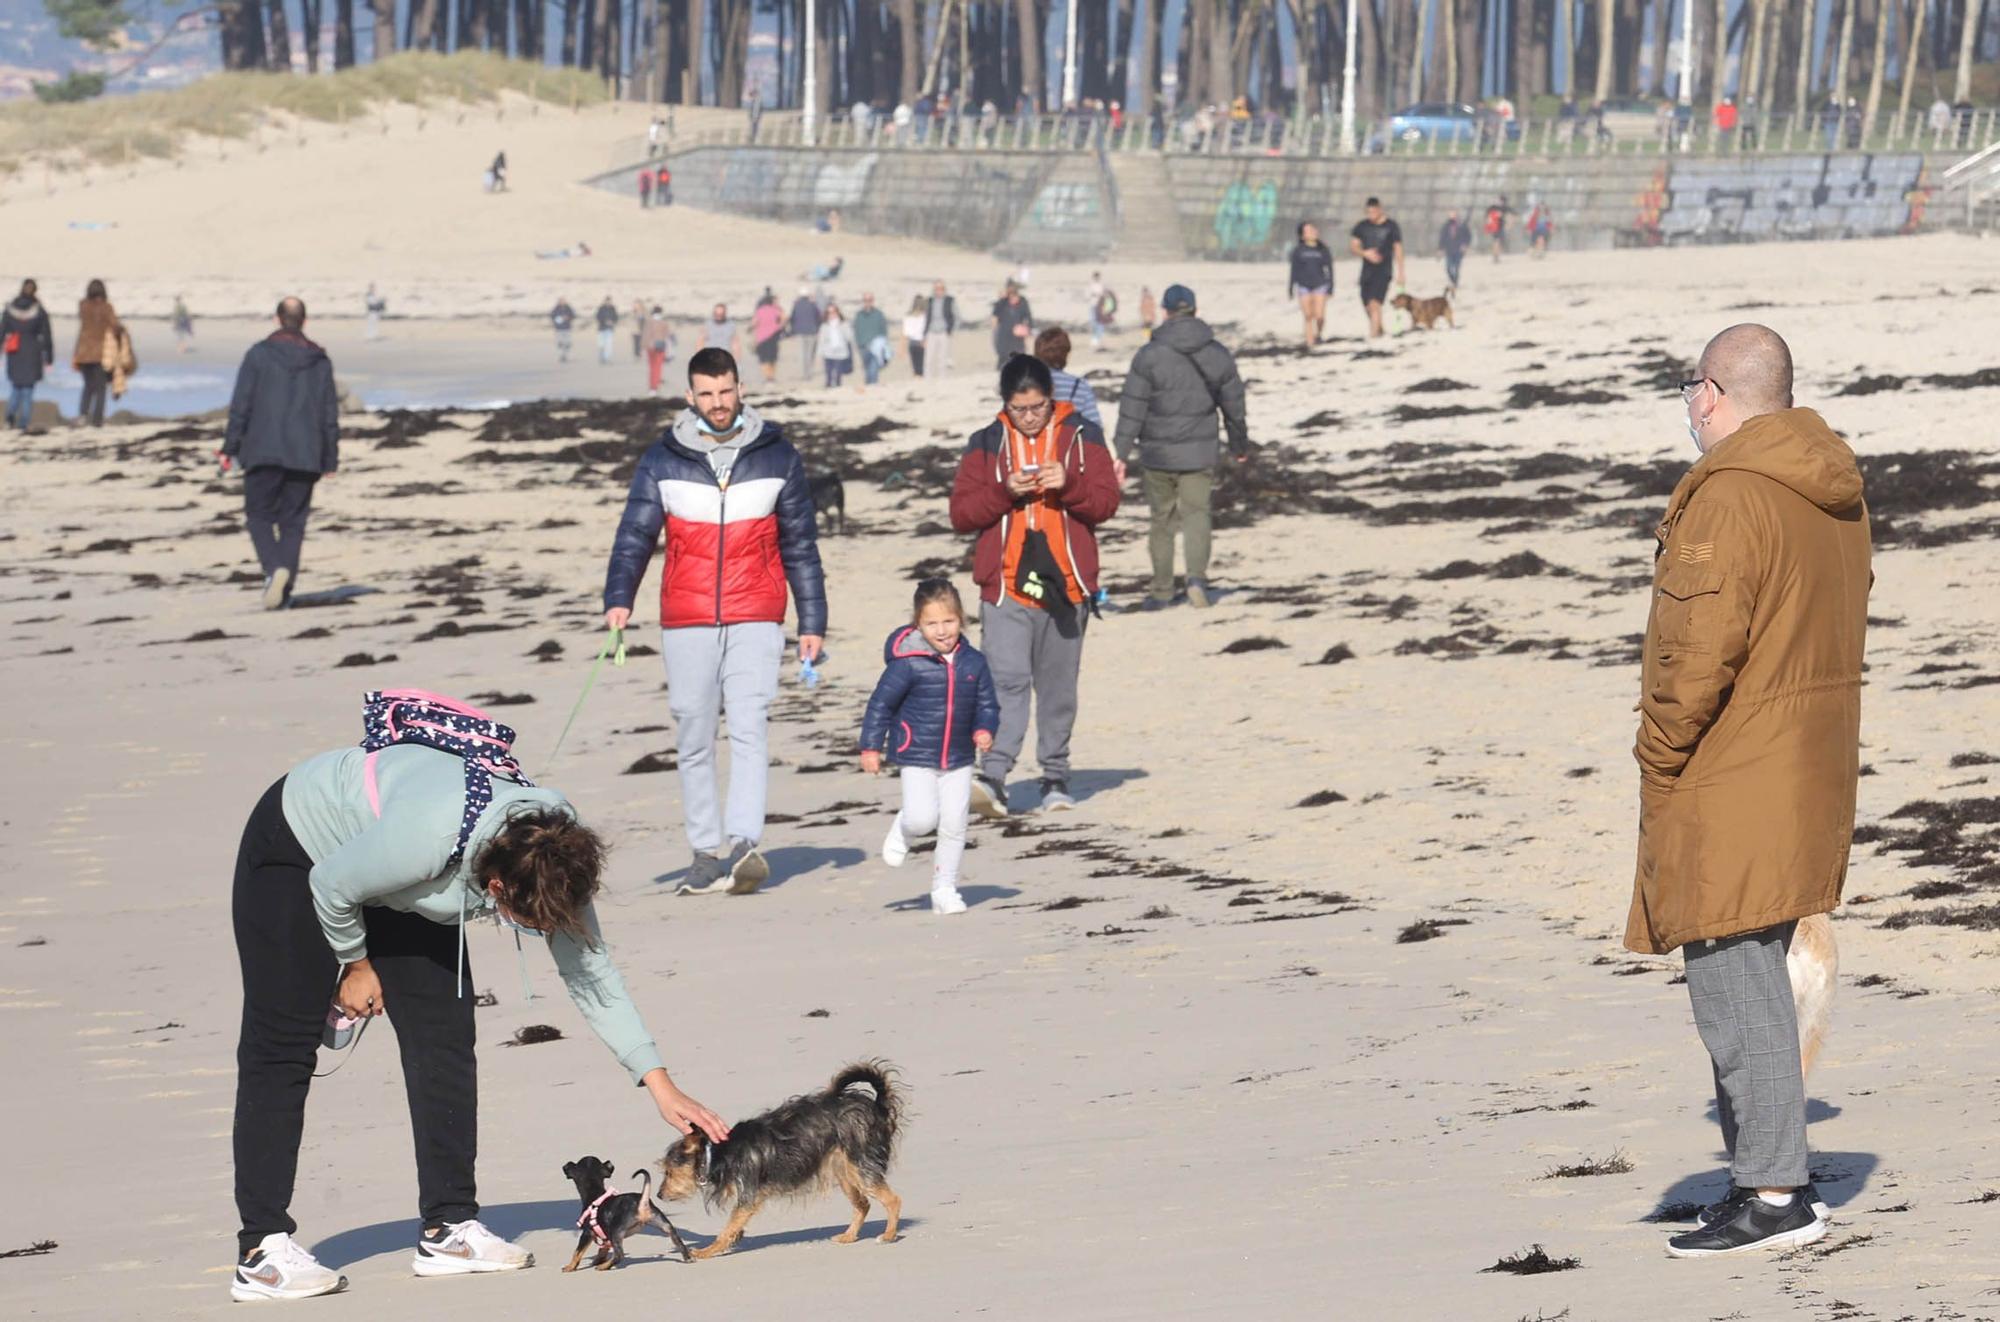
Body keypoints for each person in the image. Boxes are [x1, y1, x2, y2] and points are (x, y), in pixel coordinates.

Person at [223, 701, 730, 1301]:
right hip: (301, 849)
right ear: (495, 889)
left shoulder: (554, 855)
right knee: (280, 1047)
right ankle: (261, 1248)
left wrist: (659, 1083)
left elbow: (592, 973)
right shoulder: (429, 839)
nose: (542, 934)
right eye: (530, 924)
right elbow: (332, 885)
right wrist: (357, 965)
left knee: (443, 1039)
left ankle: (448, 1227)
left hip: (407, 877)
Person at [1631, 325, 1869, 1260]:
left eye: (1692, 388)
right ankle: (1769, 1176)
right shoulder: (1830, 483)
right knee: (1753, 977)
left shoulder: (1731, 496)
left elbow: (1694, 655)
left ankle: (1776, 1193)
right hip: (1805, 760)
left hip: (1736, 768)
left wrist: (1657, 756)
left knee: (1735, 987)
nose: (1689, 405)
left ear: (1713, 394)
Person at [602, 348, 827, 895]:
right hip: (688, 616)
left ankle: (745, 843)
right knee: (694, 733)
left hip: (758, 612)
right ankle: (705, 853)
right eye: (707, 393)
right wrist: (618, 597)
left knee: (750, 727)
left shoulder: (778, 456)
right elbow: (635, 534)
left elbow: (800, 544)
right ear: (690, 397)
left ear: (740, 388)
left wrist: (812, 618)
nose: (718, 403)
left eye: (726, 391)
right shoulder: (663, 459)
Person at [949, 354, 1121, 819]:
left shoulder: (1082, 436)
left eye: (1038, 407)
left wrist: (1069, 484)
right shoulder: (984, 443)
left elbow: (1106, 502)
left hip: (1067, 585)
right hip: (1005, 587)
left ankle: (1055, 777)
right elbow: (961, 514)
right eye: (1019, 409)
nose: (1029, 418)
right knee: (1005, 681)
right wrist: (1004, 490)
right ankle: (995, 776)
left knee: (1058, 686)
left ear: (1052, 400)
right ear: (1005, 405)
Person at [859, 578, 1001, 916]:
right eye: (932, 623)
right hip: (917, 753)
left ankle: (945, 889)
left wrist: (984, 729)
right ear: (918, 624)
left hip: (959, 757)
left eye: (948, 621)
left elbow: (988, 704)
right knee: (923, 819)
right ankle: (904, 827)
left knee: (954, 824)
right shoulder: (907, 662)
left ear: (961, 620)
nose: (941, 631)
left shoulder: (974, 663)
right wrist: (870, 747)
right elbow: (880, 705)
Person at [1111, 284, 1249, 611]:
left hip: (1157, 453)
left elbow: (1133, 406)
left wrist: (1120, 451)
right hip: (1199, 452)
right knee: (1197, 515)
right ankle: (1196, 580)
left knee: (1162, 520)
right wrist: (1238, 444)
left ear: (1165, 312)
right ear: (1195, 311)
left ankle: (1161, 590)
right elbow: (1234, 405)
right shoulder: (1216, 353)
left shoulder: (1149, 354)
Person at [218, 297, 339, 611]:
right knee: (293, 523)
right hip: (306, 453)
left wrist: (229, 447)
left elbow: (241, 405)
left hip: (263, 450)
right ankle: (282, 587)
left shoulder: (258, 356)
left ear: (277, 320)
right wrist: (330, 457)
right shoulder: (320, 361)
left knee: (258, 516)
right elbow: (329, 414)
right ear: (304, 321)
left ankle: (274, 570)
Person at [1349, 197, 1405, 340]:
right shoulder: (1362, 226)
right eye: (1368, 212)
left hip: (1384, 270)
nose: (1371, 214)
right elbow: (1353, 246)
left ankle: (1373, 337)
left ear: (1380, 209)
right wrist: (1365, 253)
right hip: (1366, 271)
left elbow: (1398, 249)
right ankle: (1380, 330)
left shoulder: (1391, 226)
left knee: (1375, 303)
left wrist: (1401, 272)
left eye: (1373, 211)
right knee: (1368, 305)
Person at [2, 279, 53, 430]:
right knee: (28, 390)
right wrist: (49, 357)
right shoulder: (39, 311)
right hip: (32, 351)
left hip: (14, 350)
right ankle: (23, 422)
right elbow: (46, 335)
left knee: (16, 387)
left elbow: (2, 331)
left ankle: (9, 417)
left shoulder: (10, 309)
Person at [72, 278, 121, 428]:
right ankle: (97, 419)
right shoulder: (106, 308)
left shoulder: (84, 307)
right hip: (101, 353)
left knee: (88, 386)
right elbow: (115, 327)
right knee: (100, 388)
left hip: (84, 352)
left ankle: (83, 415)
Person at [1033, 327, 1101, 430]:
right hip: (1068, 443)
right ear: (1065, 353)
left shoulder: (1023, 383)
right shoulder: (1080, 386)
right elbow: (1095, 426)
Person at [1285, 221, 1335, 349]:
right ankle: (1310, 341)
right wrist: (1290, 287)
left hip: (1320, 284)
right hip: (1303, 285)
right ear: (1302, 236)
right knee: (1308, 316)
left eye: (1313, 229)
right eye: (1308, 231)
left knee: (1319, 316)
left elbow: (1329, 269)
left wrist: (1330, 287)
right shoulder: (1298, 251)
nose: (1312, 232)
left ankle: (1318, 333)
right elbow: (1293, 270)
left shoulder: (1323, 249)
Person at [991, 282, 1034, 370]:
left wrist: (1028, 329)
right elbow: (995, 316)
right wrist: (995, 330)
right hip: (1004, 332)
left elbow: (1028, 316)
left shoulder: (1023, 301)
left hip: (1017, 334)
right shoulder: (1002, 302)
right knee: (1003, 355)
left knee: (1018, 354)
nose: (1013, 299)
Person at [852, 292, 890, 387]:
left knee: (874, 367)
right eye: (865, 300)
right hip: (863, 346)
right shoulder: (859, 315)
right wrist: (858, 343)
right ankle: (869, 384)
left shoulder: (879, 314)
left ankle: (872, 385)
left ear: (873, 301)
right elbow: (856, 329)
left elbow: (884, 330)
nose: (867, 302)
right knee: (866, 367)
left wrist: (883, 343)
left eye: (869, 300)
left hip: (876, 346)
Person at [818, 302, 857, 390]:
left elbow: (849, 337)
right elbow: (821, 340)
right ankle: (828, 388)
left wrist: (842, 328)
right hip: (828, 352)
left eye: (833, 312)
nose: (832, 314)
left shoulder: (844, 324)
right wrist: (820, 352)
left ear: (837, 312)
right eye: (829, 312)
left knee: (838, 372)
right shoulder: (824, 326)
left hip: (840, 351)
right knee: (828, 373)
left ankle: (838, 389)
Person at [922, 280, 956, 381]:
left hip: (943, 332)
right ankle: (927, 379)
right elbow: (925, 318)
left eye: (941, 289)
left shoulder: (950, 300)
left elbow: (956, 316)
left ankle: (942, 379)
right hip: (931, 332)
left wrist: (950, 329)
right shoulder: (929, 301)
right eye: (937, 289)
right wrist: (924, 334)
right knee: (928, 358)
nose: (939, 291)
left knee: (943, 357)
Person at [787, 287, 822, 380]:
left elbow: (792, 318)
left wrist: (792, 331)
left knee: (804, 353)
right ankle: (808, 373)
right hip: (812, 331)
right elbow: (818, 317)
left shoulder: (796, 305)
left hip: (800, 332)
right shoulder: (812, 304)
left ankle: (806, 373)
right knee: (810, 353)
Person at [750, 295, 785, 384]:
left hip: (761, 338)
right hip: (773, 336)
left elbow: (754, 323)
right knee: (773, 357)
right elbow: (784, 318)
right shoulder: (775, 309)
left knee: (763, 358)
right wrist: (779, 326)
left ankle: (767, 376)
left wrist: (750, 329)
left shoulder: (759, 311)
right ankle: (772, 376)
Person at [642, 305, 674, 395]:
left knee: (652, 368)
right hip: (660, 347)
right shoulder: (664, 323)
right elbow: (668, 337)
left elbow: (645, 336)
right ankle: (655, 387)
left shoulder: (649, 322)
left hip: (650, 347)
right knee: (658, 368)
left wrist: (643, 348)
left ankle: (652, 387)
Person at [1438, 210, 1472, 291]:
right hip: (1449, 250)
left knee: (1457, 267)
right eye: (1451, 215)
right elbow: (1442, 237)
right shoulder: (1445, 226)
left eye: (1454, 214)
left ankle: (1455, 282)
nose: (1452, 216)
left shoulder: (1462, 226)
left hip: (1459, 250)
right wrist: (1440, 248)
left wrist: (1465, 245)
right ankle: (1453, 280)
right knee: (1448, 268)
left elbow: (1468, 236)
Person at [903, 295, 929, 379]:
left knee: (916, 366)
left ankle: (917, 379)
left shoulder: (908, 315)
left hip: (913, 342)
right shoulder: (924, 316)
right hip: (920, 342)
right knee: (920, 366)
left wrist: (902, 347)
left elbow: (905, 333)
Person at [594, 296, 620, 365]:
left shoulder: (613, 308)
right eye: (607, 301)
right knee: (601, 344)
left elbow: (616, 317)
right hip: (602, 329)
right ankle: (602, 357)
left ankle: (607, 358)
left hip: (609, 329)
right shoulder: (601, 308)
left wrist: (612, 322)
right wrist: (604, 321)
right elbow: (598, 317)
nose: (608, 302)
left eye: (609, 301)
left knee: (609, 345)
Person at [550, 297, 576, 362]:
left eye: (564, 301)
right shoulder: (556, 308)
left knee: (567, 342)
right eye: (561, 301)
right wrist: (557, 320)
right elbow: (552, 316)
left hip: (567, 328)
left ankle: (566, 355)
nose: (563, 302)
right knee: (560, 342)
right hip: (559, 328)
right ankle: (561, 355)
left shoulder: (568, 308)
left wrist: (568, 317)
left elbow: (573, 315)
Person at [1485, 195, 1510, 261]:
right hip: (1497, 227)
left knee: (1496, 241)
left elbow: (1487, 217)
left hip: (1496, 227)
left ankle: (1496, 255)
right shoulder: (1500, 207)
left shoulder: (1494, 207)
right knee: (1497, 241)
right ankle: (1496, 256)